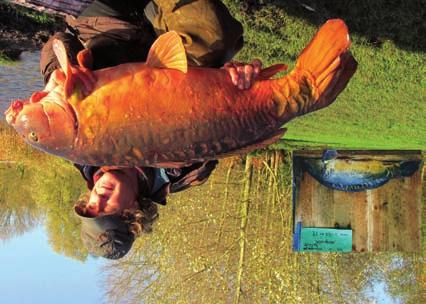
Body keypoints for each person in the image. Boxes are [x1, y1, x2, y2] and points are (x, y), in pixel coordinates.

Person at [40, 0, 262, 259]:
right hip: (172, 56)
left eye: (89, 207)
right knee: (214, 40)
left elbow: (56, 42)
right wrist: (233, 81)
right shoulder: (186, 173)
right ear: (132, 212)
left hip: (110, 29)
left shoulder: (77, 150)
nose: (97, 199)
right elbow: (222, 112)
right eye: (105, 210)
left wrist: (58, 78)